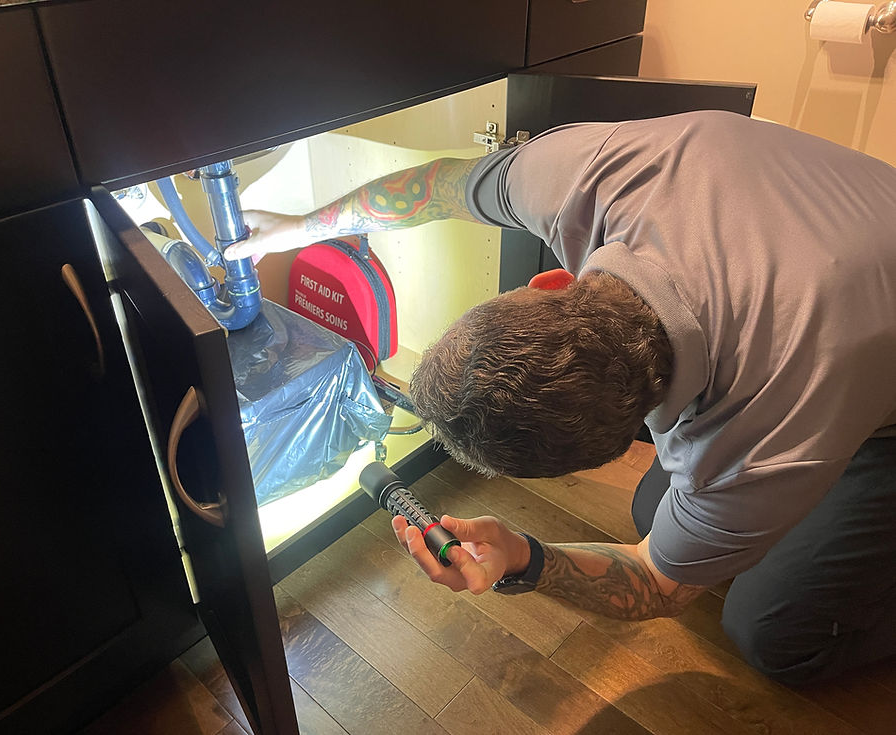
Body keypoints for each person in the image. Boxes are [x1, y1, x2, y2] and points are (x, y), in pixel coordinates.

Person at [225, 110, 896, 686]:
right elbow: (441, 187)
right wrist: (298, 226)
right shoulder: (587, 175)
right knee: (653, 512)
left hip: (877, 400)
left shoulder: (753, 447)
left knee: (769, 633)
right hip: (860, 243)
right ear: (548, 284)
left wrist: (523, 558)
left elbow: (658, 585)